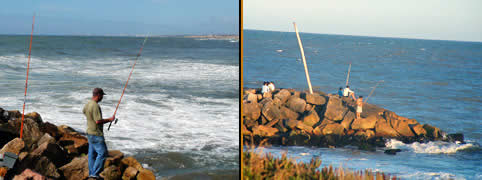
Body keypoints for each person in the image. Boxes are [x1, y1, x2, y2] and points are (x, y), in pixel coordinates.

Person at [83, 88, 115, 179]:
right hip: (96, 134)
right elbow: (98, 121)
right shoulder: (95, 106)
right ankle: (95, 174)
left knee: (92, 155)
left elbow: (84, 112)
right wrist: (109, 119)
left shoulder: (88, 104)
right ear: (99, 95)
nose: (102, 98)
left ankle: (91, 173)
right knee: (103, 153)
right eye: (102, 96)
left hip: (89, 132)